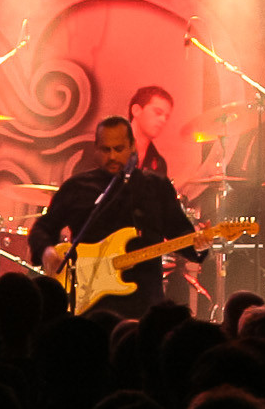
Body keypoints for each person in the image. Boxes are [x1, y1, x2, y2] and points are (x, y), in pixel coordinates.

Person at [29, 117, 201, 320]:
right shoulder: (77, 187)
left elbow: (180, 231)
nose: (112, 156)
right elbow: (42, 228)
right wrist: (46, 250)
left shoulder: (155, 186)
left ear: (132, 146)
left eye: (119, 149)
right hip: (89, 303)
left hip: (143, 304)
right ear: (95, 149)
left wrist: (199, 244)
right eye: (105, 150)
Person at [127, 85, 174, 177]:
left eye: (166, 117)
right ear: (136, 110)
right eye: (158, 112)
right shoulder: (106, 149)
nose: (163, 120)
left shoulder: (159, 163)